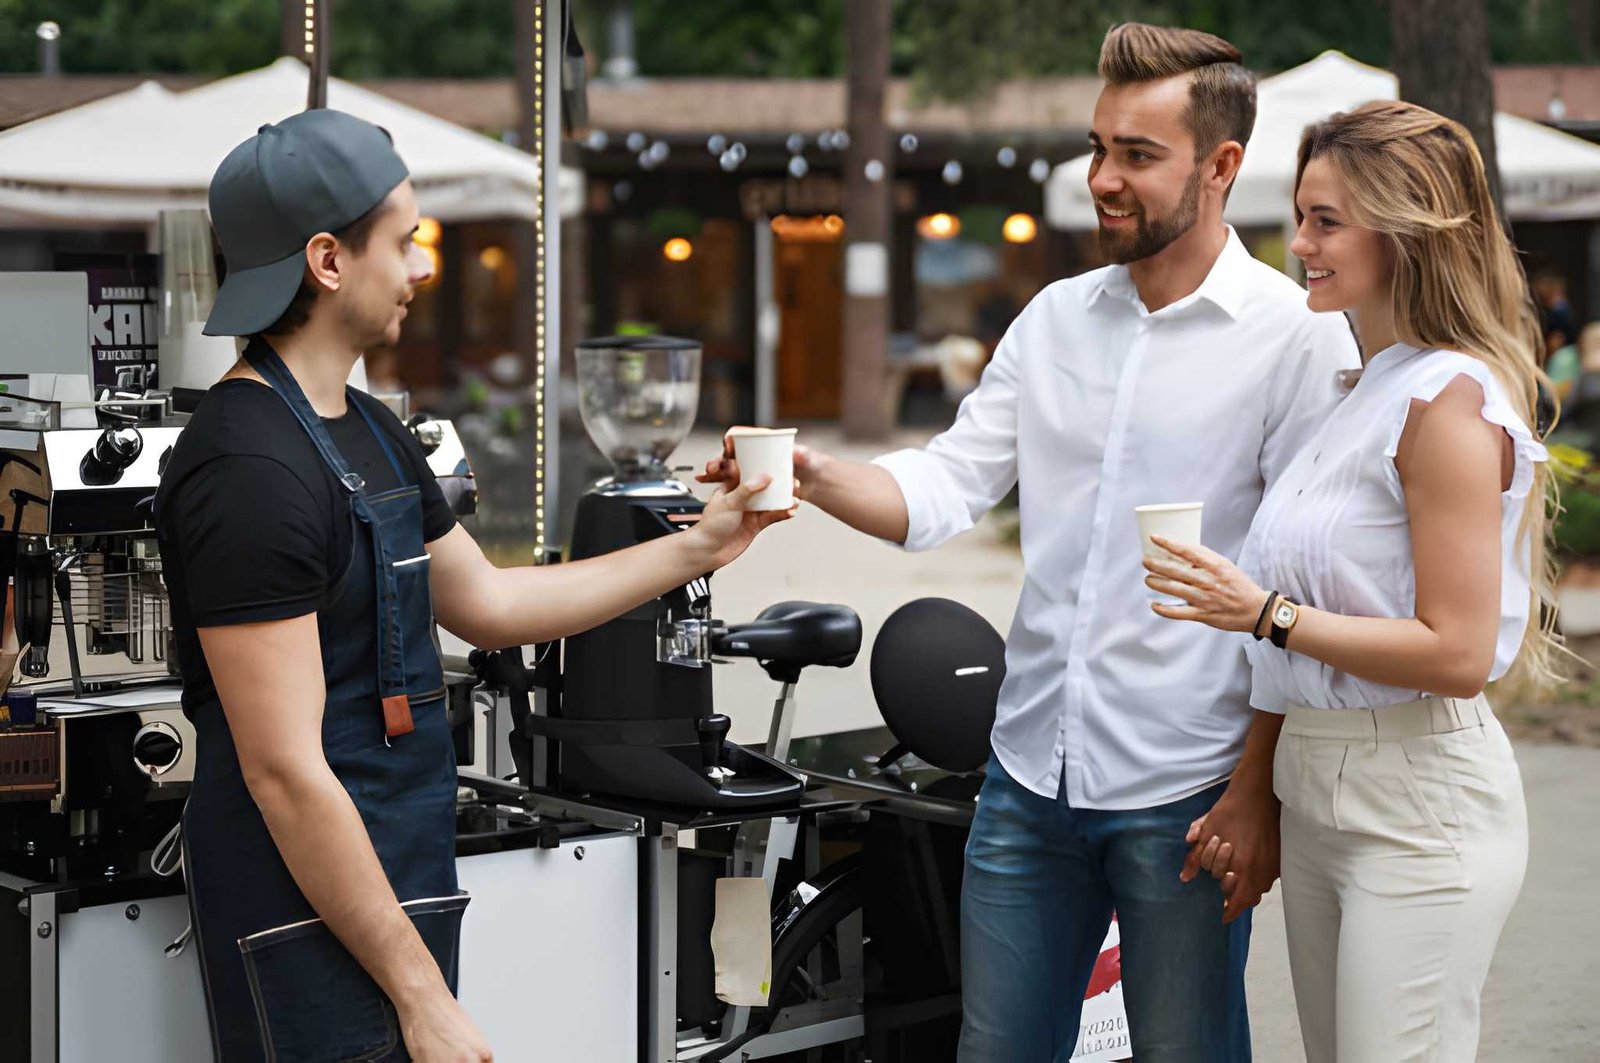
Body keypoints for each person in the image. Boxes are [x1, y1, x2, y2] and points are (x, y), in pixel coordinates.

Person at [703, 22, 1358, 1062]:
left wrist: (1251, 790)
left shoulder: (1296, 336)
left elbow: (1296, 588)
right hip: (1025, 780)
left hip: (1185, 792)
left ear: (1221, 166)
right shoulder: (1053, 320)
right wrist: (816, 476)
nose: (1103, 178)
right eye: (1099, 147)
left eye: (1137, 156)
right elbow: (939, 489)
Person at [153, 110, 788, 1063]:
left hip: (396, 882)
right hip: (300, 909)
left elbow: (488, 605)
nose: (422, 267)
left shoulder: (370, 426)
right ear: (327, 261)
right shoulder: (248, 469)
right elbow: (284, 773)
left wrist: (701, 546)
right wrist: (420, 996)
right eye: (405, 242)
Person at [1145, 100, 1546, 1062]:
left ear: (1405, 230)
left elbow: (1454, 651)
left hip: (1419, 803)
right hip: (1317, 787)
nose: (1300, 243)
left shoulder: (1447, 401)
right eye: (1301, 215)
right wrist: (1261, 785)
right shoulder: (1360, 389)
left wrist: (1265, 614)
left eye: (1328, 221)